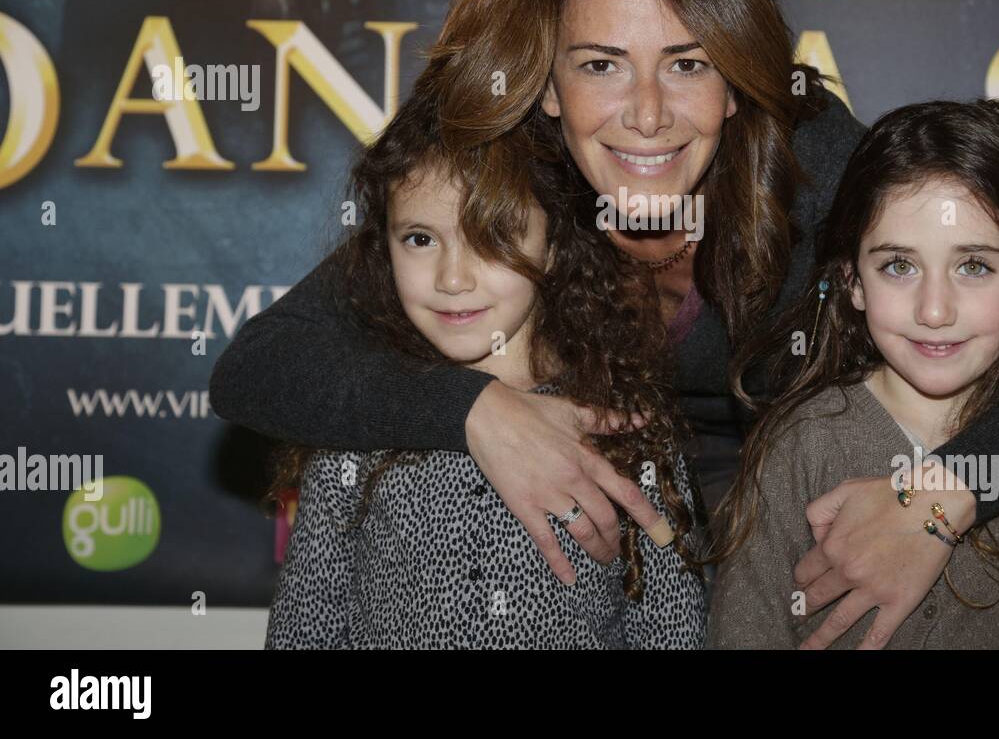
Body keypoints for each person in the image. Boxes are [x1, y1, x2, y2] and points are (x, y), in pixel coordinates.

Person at [212, 0, 999, 648]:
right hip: (599, 568)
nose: (646, 114)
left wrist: (944, 498)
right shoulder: (500, 183)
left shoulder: (816, 168)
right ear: (546, 85)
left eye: (688, 63)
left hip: (795, 546)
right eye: (599, 65)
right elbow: (260, 364)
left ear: (738, 80)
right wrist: (477, 411)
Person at [264, 73, 705, 648]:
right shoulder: (361, 428)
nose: (451, 278)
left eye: (492, 234)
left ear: (553, 243)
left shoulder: (626, 425)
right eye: (420, 239)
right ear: (384, 244)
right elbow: (306, 629)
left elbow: (672, 631)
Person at [707, 99, 999, 649]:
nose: (935, 310)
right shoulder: (799, 444)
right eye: (899, 266)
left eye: (974, 266)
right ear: (853, 282)